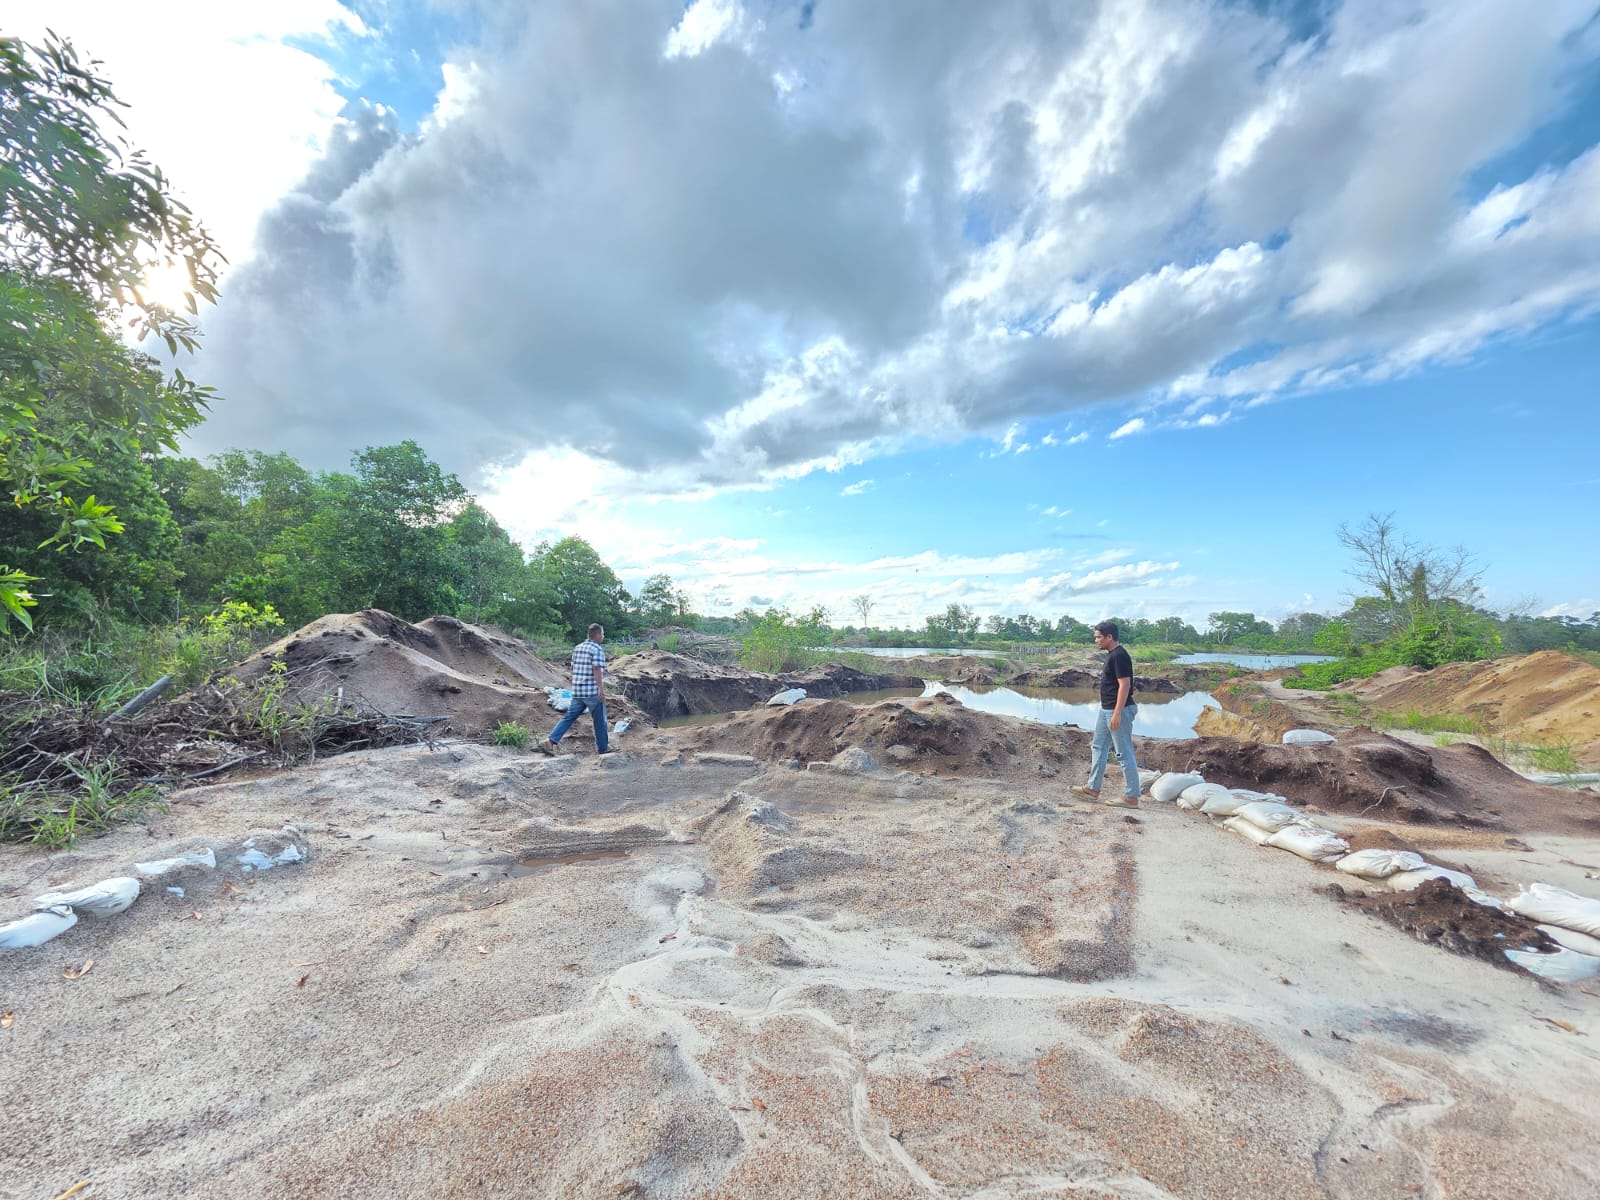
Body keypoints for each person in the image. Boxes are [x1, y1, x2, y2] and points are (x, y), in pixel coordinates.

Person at [1073, 620, 1139, 806]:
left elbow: (1125, 685)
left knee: (1123, 752)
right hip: (1106, 709)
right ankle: (1093, 788)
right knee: (1098, 747)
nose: (1096, 640)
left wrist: (1117, 713)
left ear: (1110, 637)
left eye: (1099, 637)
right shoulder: (1111, 655)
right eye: (1095, 636)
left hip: (1119, 710)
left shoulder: (1119, 656)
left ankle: (1132, 796)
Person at [538, 623, 611, 755]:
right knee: (600, 720)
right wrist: (601, 689)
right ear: (598, 635)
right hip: (591, 691)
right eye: (603, 634)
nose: (603, 637)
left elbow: (573, 667)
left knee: (569, 717)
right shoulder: (597, 649)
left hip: (577, 690)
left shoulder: (578, 648)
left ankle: (550, 741)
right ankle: (603, 748)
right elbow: (597, 669)